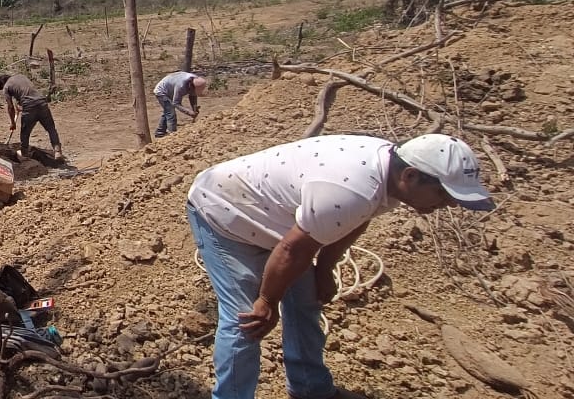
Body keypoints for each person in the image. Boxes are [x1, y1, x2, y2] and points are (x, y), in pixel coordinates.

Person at [186, 134, 494, 399]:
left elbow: (354, 222)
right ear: (411, 176)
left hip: (275, 221)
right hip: (223, 208)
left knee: (305, 302)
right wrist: (267, 301)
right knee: (247, 320)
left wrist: (325, 269)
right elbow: (293, 249)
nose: (448, 204)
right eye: (443, 193)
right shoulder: (354, 188)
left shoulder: (389, 174)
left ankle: (310, 388)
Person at [0, 74, 62, 160]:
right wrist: (21, 105)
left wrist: (13, 123)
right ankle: (57, 151)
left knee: (25, 133)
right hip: (42, 103)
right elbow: (28, 93)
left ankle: (25, 155)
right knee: (51, 129)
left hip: (29, 106)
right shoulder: (22, 77)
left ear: (2, 83)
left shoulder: (6, 87)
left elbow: (10, 107)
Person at [154, 70, 207, 137]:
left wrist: (194, 108)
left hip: (171, 90)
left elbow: (192, 95)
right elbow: (176, 103)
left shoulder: (196, 81)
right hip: (161, 92)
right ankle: (172, 135)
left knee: (167, 112)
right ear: (191, 86)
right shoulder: (181, 85)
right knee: (171, 113)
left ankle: (160, 132)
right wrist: (189, 112)